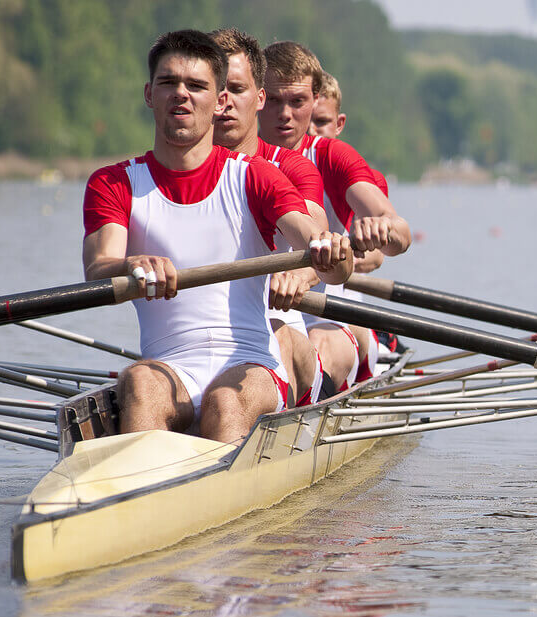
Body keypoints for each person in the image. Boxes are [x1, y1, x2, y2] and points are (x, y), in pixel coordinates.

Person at [82, 30, 352, 443]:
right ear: (149, 94)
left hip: (251, 364)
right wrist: (130, 265)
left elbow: (314, 241)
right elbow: (99, 269)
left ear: (219, 100)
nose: (181, 95)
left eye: (196, 86)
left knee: (225, 402)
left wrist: (329, 248)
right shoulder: (114, 183)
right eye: (168, 83)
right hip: (169, 367)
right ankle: (138, 493)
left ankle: (207, 493)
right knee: (138, 382)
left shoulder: (255, 176)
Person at [258, 41, 411, 392]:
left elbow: (399, 234)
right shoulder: (231, 161)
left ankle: (309, 399)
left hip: (332, 316)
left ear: (312, 103)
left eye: (296, 102)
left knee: (316, 345)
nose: (285, 114)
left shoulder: (330, 156)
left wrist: (381, 230)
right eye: (276, 100)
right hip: (256, 318)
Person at [210, 27, 327, 407]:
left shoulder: (291, 168)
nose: (224, 101)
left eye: (236, 90)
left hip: (282, 326)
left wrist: (298, 272)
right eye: (216, 87)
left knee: (277, 334)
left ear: (255, 98)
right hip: (201, 340)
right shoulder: (164, 173)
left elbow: (315, 236)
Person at [309, 70, 395, 379]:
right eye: (308, 119)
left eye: (321, 122)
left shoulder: (355, 178)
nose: (311, 130)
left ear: (339, 124)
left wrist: (338, 256)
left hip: (342, 312)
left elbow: (376, 256)